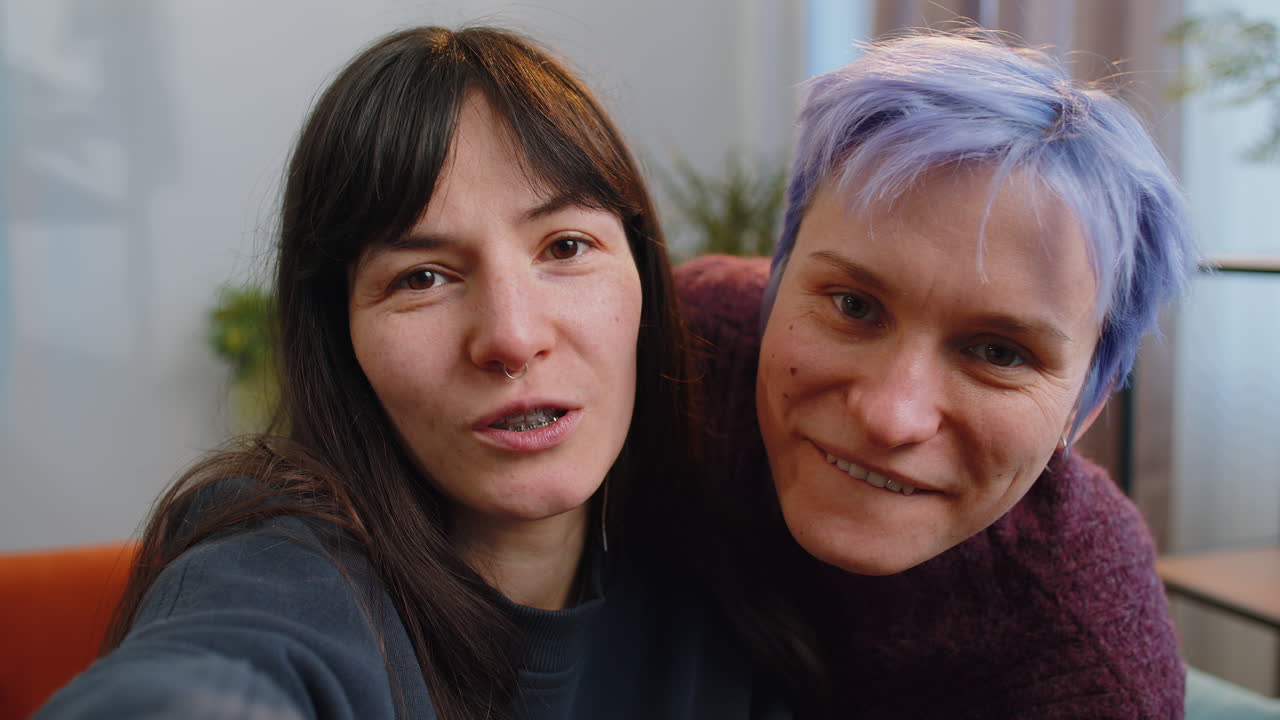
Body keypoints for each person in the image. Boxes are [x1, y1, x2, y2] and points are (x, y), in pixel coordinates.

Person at [38, 26, 788, 720]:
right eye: (422, 277)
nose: (512, 337)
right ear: (343, 337)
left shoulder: (727, 581)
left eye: (564, 247)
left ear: (645, 278)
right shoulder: (288, 567)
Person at [678, 30, 1193, 718]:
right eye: (854, 306)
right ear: (774, 283)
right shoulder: (687, 347)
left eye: (1000, 354)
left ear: (1085, 409)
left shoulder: (1087, 669)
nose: (891, 416)